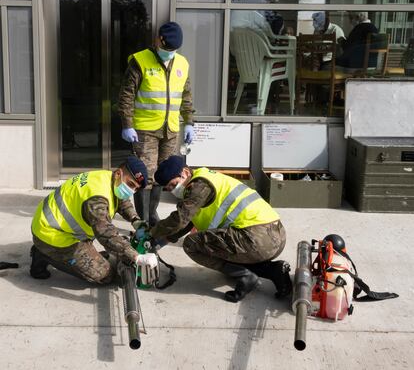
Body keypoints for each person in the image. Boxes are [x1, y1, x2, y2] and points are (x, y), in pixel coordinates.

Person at [150, 156, 292, 303]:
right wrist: (163, 240)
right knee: (218, 245)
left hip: (258, 239)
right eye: (168, 189)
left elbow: (180, 219)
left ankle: (245, 276)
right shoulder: (204, 177)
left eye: (173, 185)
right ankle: (274, 271)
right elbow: (189, 221)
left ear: (185, 172)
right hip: (275, 235)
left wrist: (151, 232)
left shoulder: (198, 187)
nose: (173, 191)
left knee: (191, 244)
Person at [30, 156, 158, 284]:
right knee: (104, 275)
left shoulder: (108, 177)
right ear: (119, 173)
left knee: (107, 255)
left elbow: (122, 200)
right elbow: (105, 234)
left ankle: (79, 253)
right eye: (131, 185)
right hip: (51, 235)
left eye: (135, 189)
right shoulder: (97, 199)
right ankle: (44, 254)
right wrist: (136, 257)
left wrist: (134, 219)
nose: (131, 191)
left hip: (56, 226)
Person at [118, 21, 194, 228]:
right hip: (144, 130)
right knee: (145, 176)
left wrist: (189, 122)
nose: (169, 53)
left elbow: (186, 96)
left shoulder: (182, 63)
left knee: (163, 174)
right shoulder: (139, 61)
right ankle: (141, 221)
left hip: (170, 128)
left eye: (173, 50)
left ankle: (152, 214)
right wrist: (127, 124)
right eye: (166, 48)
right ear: (158, 40)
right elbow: (126, 95)